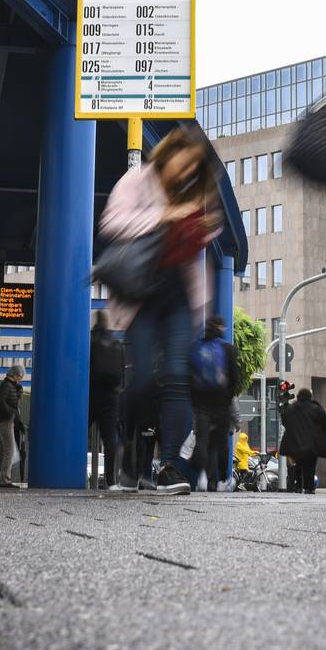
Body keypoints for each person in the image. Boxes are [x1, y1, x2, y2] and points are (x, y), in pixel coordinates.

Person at [101, 126, 221, 496]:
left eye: (192, 169)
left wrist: (205, 229)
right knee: (139, 384)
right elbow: (111, 224)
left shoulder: (194, 194)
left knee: (176, 376)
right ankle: (131, 459)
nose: (185, 174)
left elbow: (193, 260)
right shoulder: (137, 181)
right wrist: (165, 216)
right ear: (167, 155)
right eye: (182, 165)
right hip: (141, 296)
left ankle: (170, 465)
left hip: (178, 300)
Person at [190, 315, 239, 492]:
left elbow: (190, 377)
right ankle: (222, 480)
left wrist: (195, 401)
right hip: (221, 402)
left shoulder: (196, 348)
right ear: (220, 327)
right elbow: (234, 378)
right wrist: (227, 398)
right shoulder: (228, 349)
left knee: (202, 439)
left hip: (201, 402)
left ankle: (202, 478)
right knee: (222, 442)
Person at [89, 311, 123, 488]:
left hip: (91, 393)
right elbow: (122, 373)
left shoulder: (90, 339)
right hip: (111, 397)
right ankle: (111, 481)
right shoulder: (116, 342)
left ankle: (70, 473)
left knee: (79, 432)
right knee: (111, 440)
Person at [279, 387, 326, 495]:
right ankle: (309, 487)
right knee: (310, 465)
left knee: (298, 463)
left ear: (298, 397)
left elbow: (284, 420)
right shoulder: (316, 408)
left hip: (294, 442)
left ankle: (298, 485)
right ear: (310, 397)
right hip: (312, 443)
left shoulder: (291, 408)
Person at [0, 365, 24, 488]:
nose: (21, 379)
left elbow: (13, 402)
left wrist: (18, 390)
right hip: (5, 421)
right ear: (15, 375)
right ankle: (5, 480)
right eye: (20, 376)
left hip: (6, 420)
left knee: (3, 451)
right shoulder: (5, 385)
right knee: (10, 450)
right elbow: (0, 401)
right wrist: (11, 414)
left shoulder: (10, 386)